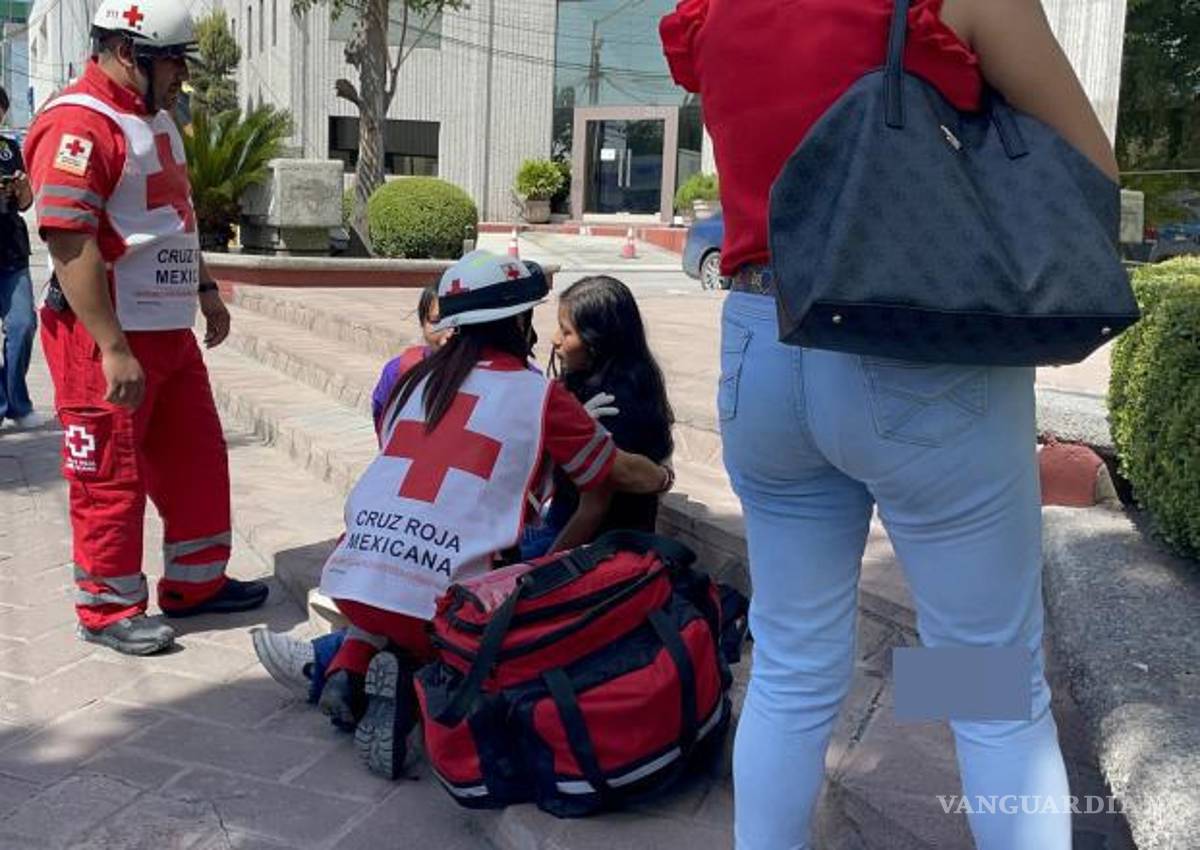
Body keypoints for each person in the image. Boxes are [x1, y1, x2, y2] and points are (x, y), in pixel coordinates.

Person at [659, 0, 1119, 848]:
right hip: (914, 348)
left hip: (763, 346)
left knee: (793, 661)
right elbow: (1093, 169)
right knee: (987, 682)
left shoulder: (710, 11)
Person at [271, 251, 672, 779]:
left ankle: (346, 666)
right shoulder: (538, 394)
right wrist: (663, 477)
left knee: (399, 599)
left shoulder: (412, 379)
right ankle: (413, 695)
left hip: (353, 580)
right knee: (471, 617)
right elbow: (619, 472)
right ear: (519, 320)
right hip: (444, 609)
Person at [24, 0, 268, 657]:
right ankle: (106, 607)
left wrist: (208, 292)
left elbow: (174, 217)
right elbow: (69, 242)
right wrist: (111, 348)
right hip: (103, 335)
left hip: (166, 330)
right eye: (174, 64)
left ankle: (197, 584)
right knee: (110, 471)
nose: (181, 79)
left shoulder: (151, 119)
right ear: (132, 53)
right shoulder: (79, 122)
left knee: (195, 456)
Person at [521, 275, 675, 559]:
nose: (554, 339)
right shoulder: (586, 385)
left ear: (597, 342)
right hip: (562, 521)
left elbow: (592, 510)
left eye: (566, 332)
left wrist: (534, 575)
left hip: (597, 549)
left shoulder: (612, 407)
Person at [0, 86, 46, 432]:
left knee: (23, 325)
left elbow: (27, 201)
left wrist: (19, 188)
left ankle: (15, 401)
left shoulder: (9, 149)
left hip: (12, 251)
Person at [370, 284, 452, 439]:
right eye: (436, 320)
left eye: (457, 322)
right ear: (422, 323)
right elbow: (381, 418)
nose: (449, 332)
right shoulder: (398, 371)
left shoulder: (490, 375)